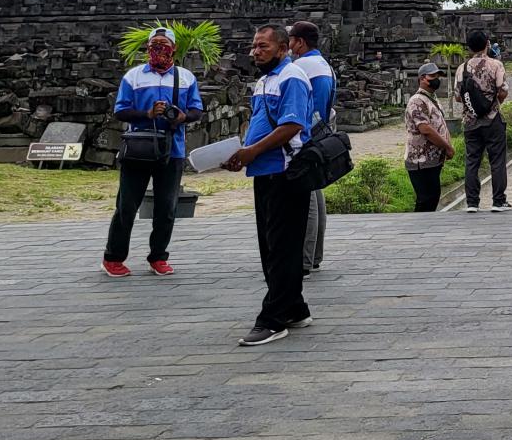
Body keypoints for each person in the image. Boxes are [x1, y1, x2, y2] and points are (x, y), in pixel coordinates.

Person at [222, 25, 313, 346]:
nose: (254, 51)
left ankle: (272, 318)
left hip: (287, 171)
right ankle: (295, 308)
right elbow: (263, 123)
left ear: (283, 48)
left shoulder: (292, 78)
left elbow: (292, 125)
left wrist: (252, 151)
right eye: (253, 46)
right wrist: (240, 154)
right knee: (271, 244)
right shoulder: (264, 81)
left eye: (262, 46)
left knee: (282, 248)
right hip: (265, 171)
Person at [102, 26, 203, 278]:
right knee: (126, 205)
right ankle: (113, 257)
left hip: (172, 149)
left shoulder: (186, 78)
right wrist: (147, 114)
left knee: (166, 207)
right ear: (147, 47)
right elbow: (120, 110)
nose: (159, 49)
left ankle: (158, 256)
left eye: (163, 44)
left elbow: (196, 110)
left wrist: (181, 116)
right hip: (138, 147)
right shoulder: (133, 77)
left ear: (173, 48)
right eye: (154, 44)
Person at [287, 20, 336, 276]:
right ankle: (314, 255)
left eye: (290, 40)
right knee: (315, 192)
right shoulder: (323, 64)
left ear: (300, 42)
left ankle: (303, 259)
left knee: (305, 197)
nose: (288, 45)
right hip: (321, 129)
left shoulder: (301, 65)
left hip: (305, 133)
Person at [453, 29, 510, 212]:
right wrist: (493, 103)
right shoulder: (495, 65)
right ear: (487, 44)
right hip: (492, 119)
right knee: (497, 161)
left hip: (470, 120)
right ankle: (498, 201)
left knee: (472, 161)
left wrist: (473, 106)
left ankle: (472, 202)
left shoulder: (462, 68)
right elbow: (503, 90)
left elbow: (457, 97)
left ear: (468, 47)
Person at [404, 62, 453, 212]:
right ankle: (418, 232)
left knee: (432, 198)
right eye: (433, 76)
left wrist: (447, 146)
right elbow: (426, 129)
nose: (436, 79)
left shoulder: (431, 98)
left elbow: (440, 124)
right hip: (420, 160)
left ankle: (425, 230)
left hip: (432, 159)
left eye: (437, 76)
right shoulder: (417, 101)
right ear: (422, 79)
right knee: (425, 199)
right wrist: (447, 147)